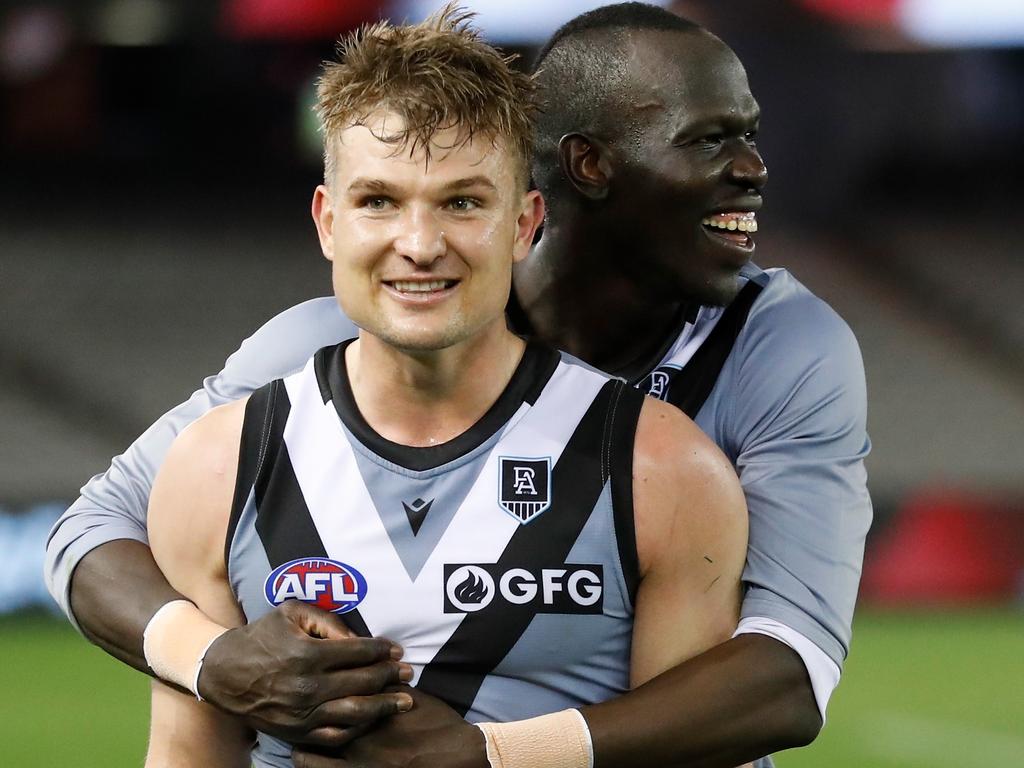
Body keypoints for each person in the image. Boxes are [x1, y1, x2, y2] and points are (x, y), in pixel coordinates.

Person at [45, 3, 871, 767]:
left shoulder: (752, 379)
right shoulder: (314, 352)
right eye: (708, 139)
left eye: (462, 202)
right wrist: (214, 661)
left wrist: (484, 757)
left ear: (523, 220)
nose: (756, 169)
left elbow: (788, 674)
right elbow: (91, 535)